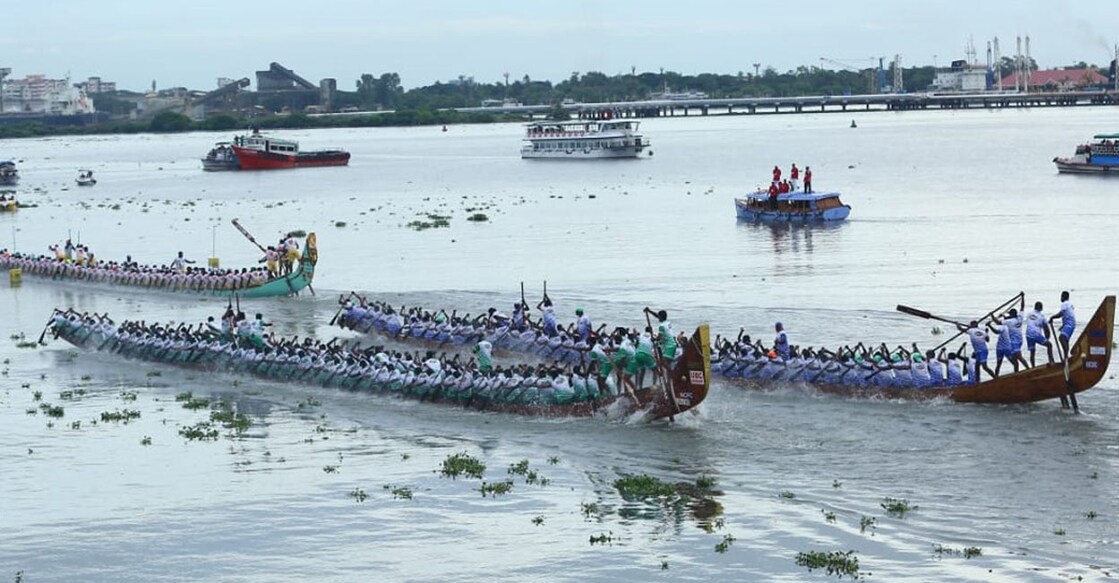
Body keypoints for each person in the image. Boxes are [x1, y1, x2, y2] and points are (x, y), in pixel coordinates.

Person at [1048, 291, 1076, 364]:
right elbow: (1068, 315)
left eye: (1061, 296)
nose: (1060, 298)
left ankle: (1066, 358)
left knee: (1062, 338)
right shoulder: (1069, 304)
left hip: (1069, 324)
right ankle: (1066, 358)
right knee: (1065, 340)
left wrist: (1052, 317)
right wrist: (1063, 326)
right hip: (1070, 324)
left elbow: (1061, 314)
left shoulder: (1065, 304)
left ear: (1063, 297)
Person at [1025, 301, 1053, 367]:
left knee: (1032, 352)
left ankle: (1033, 367)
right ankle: (1051, 361)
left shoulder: (1029, 314)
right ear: (1041, 308)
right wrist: (1047, 338)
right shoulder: (1042, 316)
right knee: (1049, 345)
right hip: (1035, 334)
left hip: (1028, 335)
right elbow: (1046, 329)